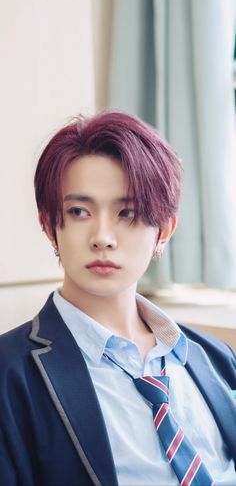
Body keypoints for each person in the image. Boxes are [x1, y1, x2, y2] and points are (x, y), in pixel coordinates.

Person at [0, 110, 235, 486]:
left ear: (165, 230)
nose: (103, 237)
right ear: (49, 225)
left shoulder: (217, 359)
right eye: (79, 211)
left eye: (128, 212)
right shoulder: (9, 374)